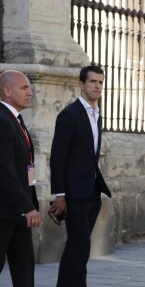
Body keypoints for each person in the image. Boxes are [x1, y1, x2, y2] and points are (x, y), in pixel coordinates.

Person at [50, 65, 111, 287]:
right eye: (93, 81)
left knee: (76, 246)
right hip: (74, 194)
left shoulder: (97, 115)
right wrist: (59, 194)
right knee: (81, 245)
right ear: (81, 84)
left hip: (92, 192)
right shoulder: (69, 115)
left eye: (100, 82)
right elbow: (58, 157)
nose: (97, 86)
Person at [0, 70, 42, 287]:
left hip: (19, 212)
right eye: (24, 88)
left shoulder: (16, 118)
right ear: (7, 91)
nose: (30, 92)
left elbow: (26, 167)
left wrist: (30, 204)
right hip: (4, 212)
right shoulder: (2, 120)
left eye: (30, 87)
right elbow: (4, 171)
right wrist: (27, 206)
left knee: (24, 266)